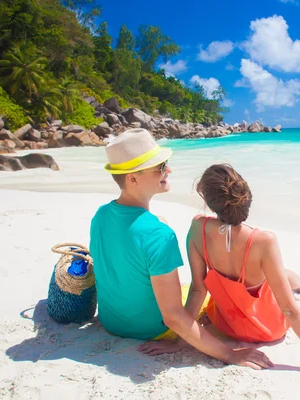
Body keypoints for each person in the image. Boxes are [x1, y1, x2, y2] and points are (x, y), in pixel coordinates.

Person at [140, 163, 300, 385]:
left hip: (225, 324)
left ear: (207, 200)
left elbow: (198, 289)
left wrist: (180, 341)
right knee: (282, 275)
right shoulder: (263, 240)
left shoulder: (197, 227)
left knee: (274, 276)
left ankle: (298, 281)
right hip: (269, 331)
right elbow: (289, 309)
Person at [89, 129, 272, 370]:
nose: (169, 170)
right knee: (204, 289)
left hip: (112, 321)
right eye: (160, 167)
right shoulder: (159, 235)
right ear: (132, 179)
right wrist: (230, 354)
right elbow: (173, 317)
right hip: (152, 330)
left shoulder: (101, 215)